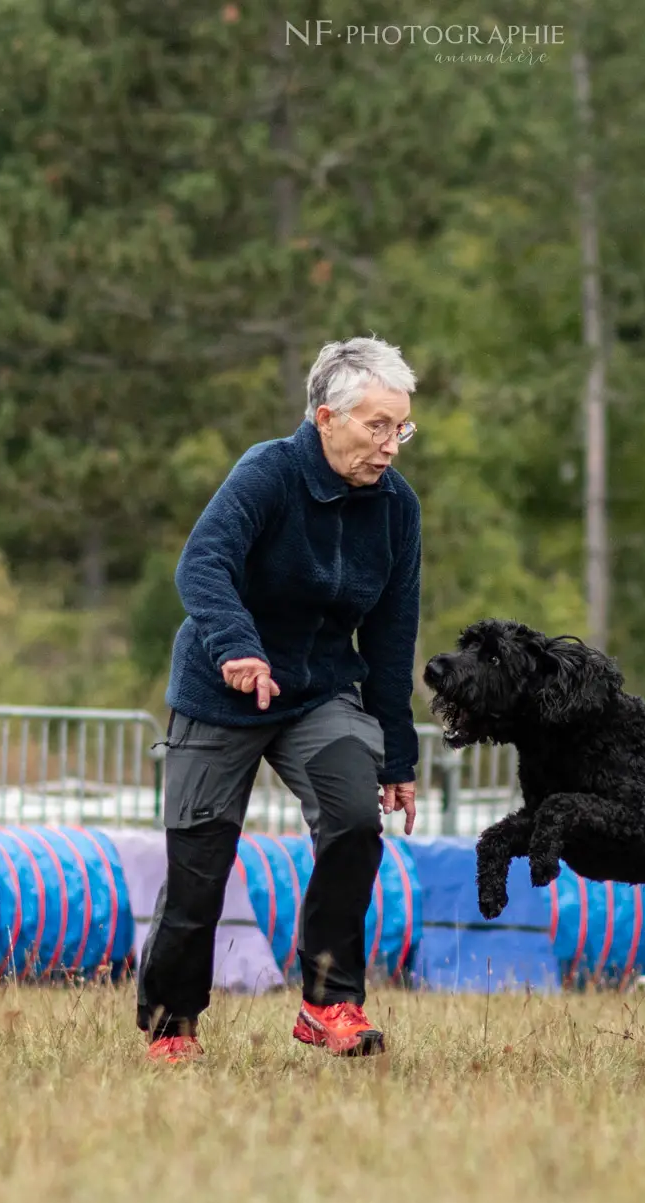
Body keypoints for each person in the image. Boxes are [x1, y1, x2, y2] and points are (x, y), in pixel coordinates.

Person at [136, 337, 423, 1064]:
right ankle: (173, 1027)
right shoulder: (268, 473)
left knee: (355, 821)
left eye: (403, 428)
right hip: (220, 691)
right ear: (327, 417)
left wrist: (397, 752)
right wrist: (237, 646)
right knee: (200, 868)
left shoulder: (396, 509)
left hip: (320, 691)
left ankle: (329, 1004)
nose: (391, 446)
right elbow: (203, 563)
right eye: (377, 426)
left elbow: (393, 636)